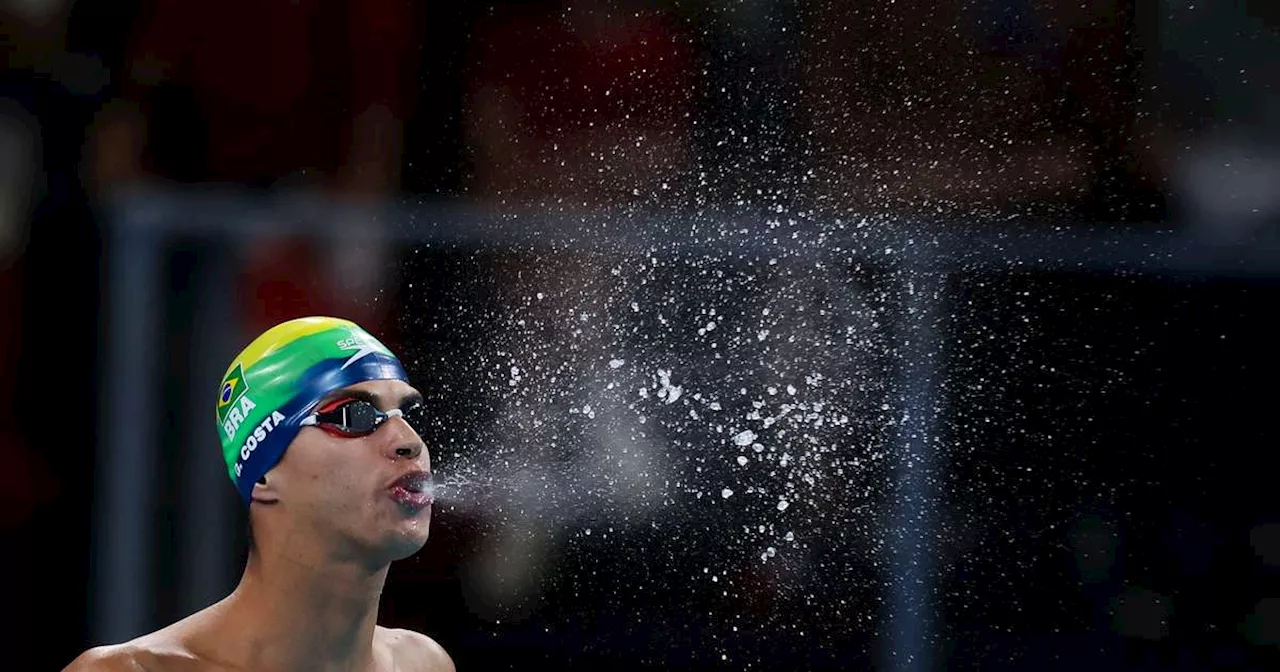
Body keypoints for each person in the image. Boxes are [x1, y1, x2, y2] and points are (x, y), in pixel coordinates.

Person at [63, 316, 455, 671]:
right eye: (353, 416)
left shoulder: (423, 665)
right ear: (264, 472)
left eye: (408, 413)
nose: (409, 440)